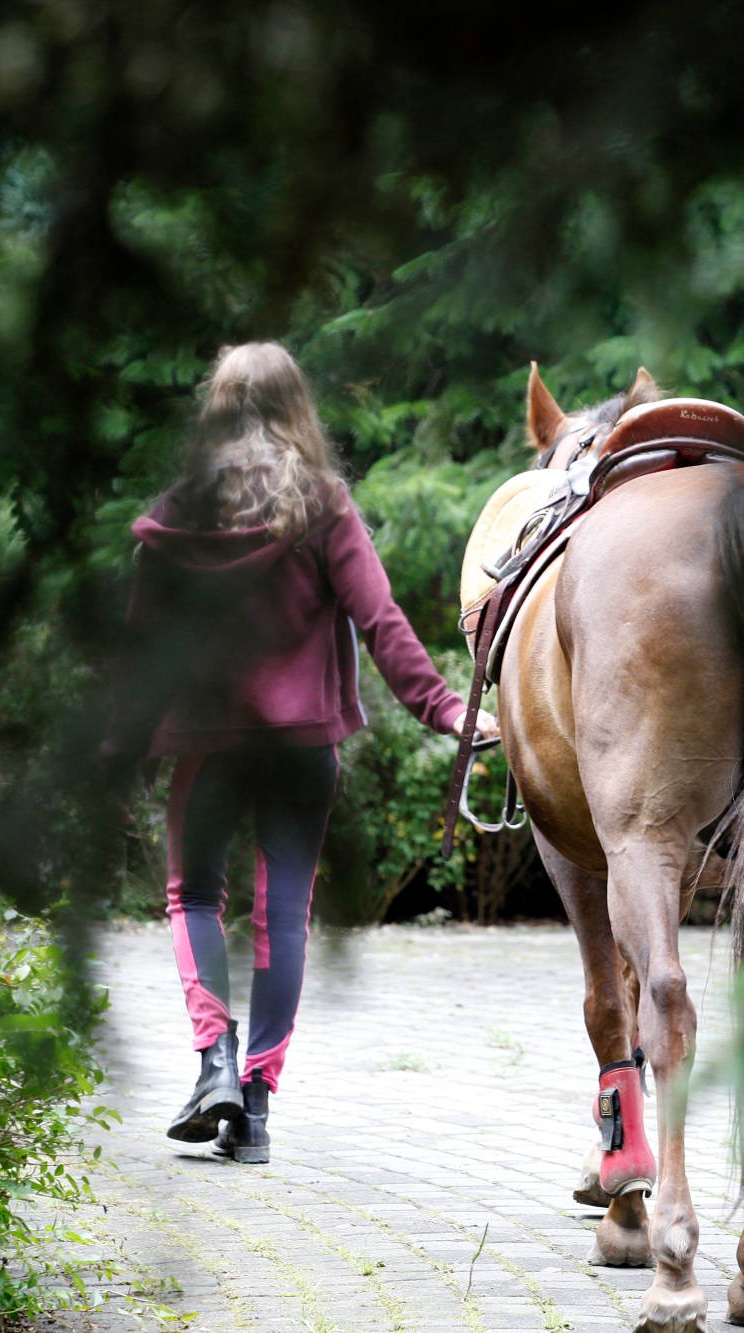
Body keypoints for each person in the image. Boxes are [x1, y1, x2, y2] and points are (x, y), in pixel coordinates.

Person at [103, 340, 495, 1163]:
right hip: (302, 747)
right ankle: (253, 1106)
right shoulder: (321, 506)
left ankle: (212, 1057)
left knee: (193, 899)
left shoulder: (178, 516)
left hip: (208, 748)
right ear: (296, 409)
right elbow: (381, 621)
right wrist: (450, 710)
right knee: (283, 914)